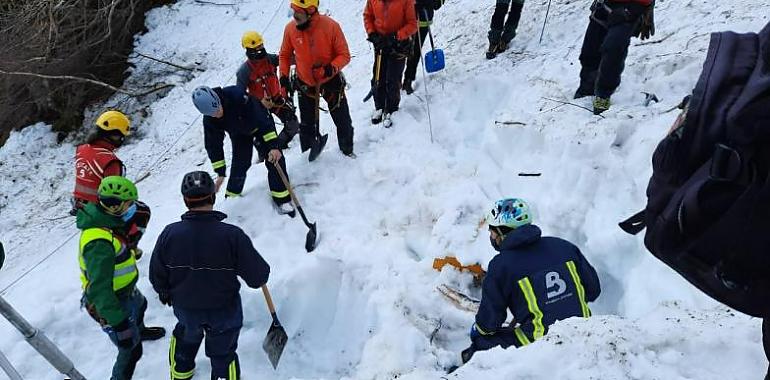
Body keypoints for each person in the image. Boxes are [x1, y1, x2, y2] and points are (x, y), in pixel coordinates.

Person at [149, 171, 271, 380]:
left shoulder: (170, 234)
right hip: (224, 312)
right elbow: (258, 276)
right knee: (223, 353)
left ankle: (181, 373)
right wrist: (259, 276)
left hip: (186, 309)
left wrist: (164, 291)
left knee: (185, 339)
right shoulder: (232, 236)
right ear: (213, 197)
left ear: (185, 200)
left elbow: (156, 273)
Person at [462, 198, 601, 363]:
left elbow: (490, 324)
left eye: (492, 231)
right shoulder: (564, 246)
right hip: (586, 332)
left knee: (482, 343)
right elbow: (593, 290)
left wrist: (479, 330)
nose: (491, 236)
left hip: (544, 342)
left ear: (501, 231)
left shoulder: (501, 266)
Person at [76, 176, 165, 380]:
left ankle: (139, 331)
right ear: (115, 206)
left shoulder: (107, 222)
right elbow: (100, 290)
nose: (133, 207)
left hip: (126, 292)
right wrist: (119, 324)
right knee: (131, 351)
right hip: (112, 301)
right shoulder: (99, 243)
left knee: (141, 305)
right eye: (129, 204)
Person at [191, 85, 295, 216]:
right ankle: (231, 203)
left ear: (217, 99)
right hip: (239, 134)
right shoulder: (210, 119)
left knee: (275, 160)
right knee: (239, 165)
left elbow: (263, 119)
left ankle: (282, 199)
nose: (217, 115)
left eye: (217, 110)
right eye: (213, 114)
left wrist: (273, 146)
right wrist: (220, 173)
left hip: (261, 126)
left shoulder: (237, 96)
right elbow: (213, 145)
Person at [279, 0, 356, 160]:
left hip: (330, 79)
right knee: (307, 126)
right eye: (294, 11)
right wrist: (284, 78)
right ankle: (309, 158)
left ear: (311, 11)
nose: (295, 15)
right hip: (305, 82)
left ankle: (347, 149)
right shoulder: (290, 29)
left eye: (299, 12)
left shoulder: (330, 26)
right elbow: (285, 55)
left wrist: (329, 68)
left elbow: (344, 55)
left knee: (342, 119)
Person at [72, 110, 151, 254]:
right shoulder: (111, 162)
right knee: (142, 211)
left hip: (81, 207)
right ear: (114, 135)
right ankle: (129, 246)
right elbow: (116, 195)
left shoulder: (81, 150)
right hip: (101, 210)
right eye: (121, 136)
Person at [575, 0, 655, 114]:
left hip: (632, 7)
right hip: (606, 4)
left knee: (614, 47)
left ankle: (603, 96)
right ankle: (587, 88)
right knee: (590, 49)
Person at [236, 30, 299, 150]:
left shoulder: (269, 59)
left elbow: (285, 60)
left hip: (276, 100)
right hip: (258, 107)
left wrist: (301, 57)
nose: (260, 49)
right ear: (249, 50)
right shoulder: (244, 71)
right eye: (257, 47)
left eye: (261, 46)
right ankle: (266, 151)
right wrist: (259, 101)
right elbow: (239, 95)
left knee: (293, 124)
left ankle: (280, 145)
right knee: (265, 135)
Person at [364, 0, 418, 127]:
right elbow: (368, 15)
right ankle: (379, 106)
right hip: (380, 44)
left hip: (398, 45)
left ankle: (391, 109)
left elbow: (412, 24)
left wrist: (395, 37)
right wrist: (372, 33)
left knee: (393, 79)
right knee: (378, 77)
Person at [403, 0, 444, 95]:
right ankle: (395, 82)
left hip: (424, 19)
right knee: (401, 51)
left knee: (415, 52)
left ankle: (408, 80)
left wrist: (435, 2)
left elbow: (439, 3)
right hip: (409, 19)